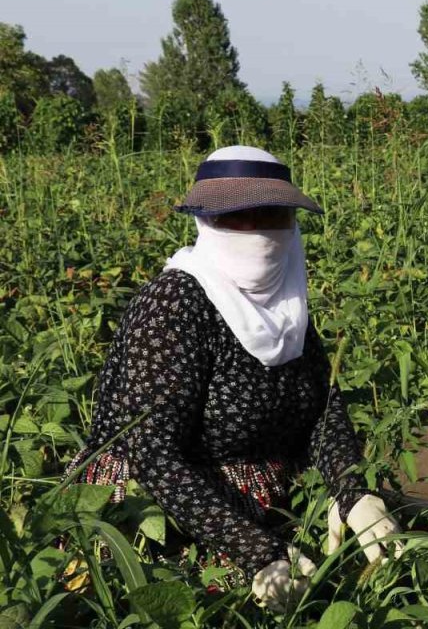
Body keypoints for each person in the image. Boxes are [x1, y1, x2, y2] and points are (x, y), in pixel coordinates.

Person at [65, 146, 400, 612]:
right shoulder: (173, 305)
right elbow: (153, 454)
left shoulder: (288, 306)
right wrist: (258, 552)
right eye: (237, 217)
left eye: (272, 216)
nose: (256, 231)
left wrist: (353, 493)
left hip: (262, 484)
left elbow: (322, 413)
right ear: (207, 222)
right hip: (160, 503)